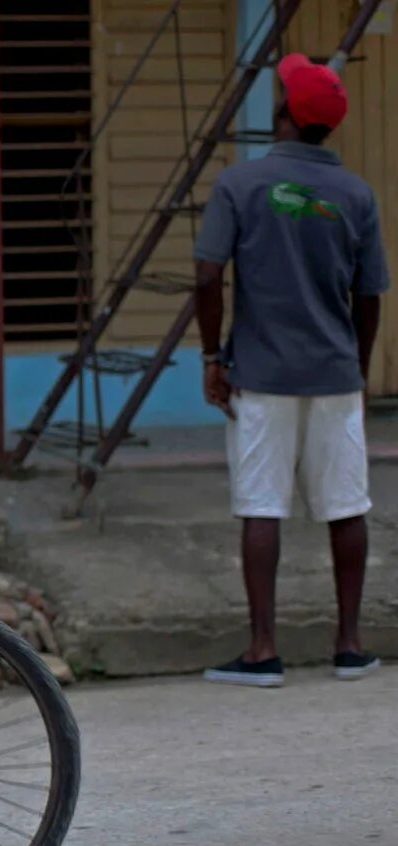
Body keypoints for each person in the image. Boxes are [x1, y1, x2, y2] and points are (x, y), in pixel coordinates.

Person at [195, 52, 387, 688]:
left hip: (262, 374)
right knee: (346, 506)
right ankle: (350, 646)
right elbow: (369, 297)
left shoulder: (239, 184)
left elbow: (207, 274)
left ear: (283, 114)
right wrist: (355, 371)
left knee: (261, 507)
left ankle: (262, 652)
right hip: (334, 375)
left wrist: (212, 356)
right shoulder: (357, 195)